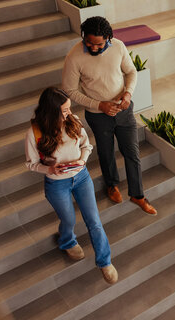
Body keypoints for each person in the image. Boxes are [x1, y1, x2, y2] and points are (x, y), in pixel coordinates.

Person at [62, 16, 156, 215]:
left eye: (98, 44)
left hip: (124, 110)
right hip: (98, 115)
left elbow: (131, 72)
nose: (93, 48)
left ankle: (137, 195)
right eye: (89, 42)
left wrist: (128, 93)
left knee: (132, 153)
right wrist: (99, 105)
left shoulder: (119, 47)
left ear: (109, 38)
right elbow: (70, 89)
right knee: (106, 153)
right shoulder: (74, 56)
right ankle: (112, 185)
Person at [25, 87, 118, 284]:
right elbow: (31, 164)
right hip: (57, 184)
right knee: (68, 220)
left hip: (81, 177)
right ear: (51, 111)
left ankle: (105, 262)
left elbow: (87, 145)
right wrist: (50, 170)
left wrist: (83, 161)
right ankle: (67, 241)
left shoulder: (73, 120)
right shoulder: (35, 132)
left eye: (69, 108)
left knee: (94, 220)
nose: (69, 112)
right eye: (64, 110)